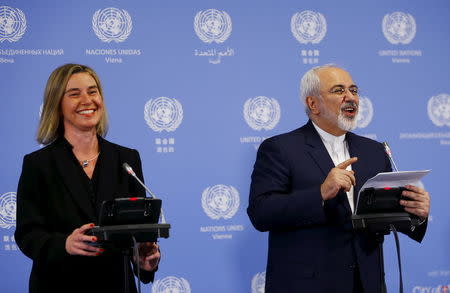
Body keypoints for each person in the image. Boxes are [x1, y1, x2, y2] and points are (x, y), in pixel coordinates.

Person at [247, 65, 430, 293]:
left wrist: (416, 214)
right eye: (338, 90)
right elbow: (261, 212)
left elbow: (385, 216)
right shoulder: (280, 149)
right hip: (308, 285)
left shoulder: (374, 151)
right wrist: (321, 193)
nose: (350, 97)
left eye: (354, 90)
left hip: (366, 284)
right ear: (313, 103)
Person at [14, 64, 161, 293]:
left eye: (93, 91)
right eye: (74, 94)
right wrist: (64, 244)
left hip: (116, 284)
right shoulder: (39, 164)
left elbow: (137, 231)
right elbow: (27, 234)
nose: (87, 100)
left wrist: (143, 260)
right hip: (59, 285)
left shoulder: (127, 159)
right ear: (57, 104)